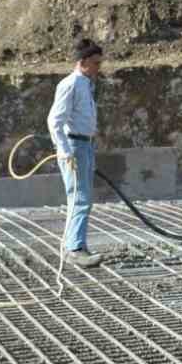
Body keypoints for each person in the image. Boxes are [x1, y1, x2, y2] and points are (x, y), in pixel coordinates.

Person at [47, 39, 107, 268]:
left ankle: (76, 244)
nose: (98, 68)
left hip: (85, 145)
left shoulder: (86, 84)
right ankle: (75, 248)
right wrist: (63, 150)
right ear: (82, 62)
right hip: (74, 147)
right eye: (95, 63)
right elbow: (55, 120)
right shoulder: (70, 84)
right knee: (79, 198)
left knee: (83, 198)